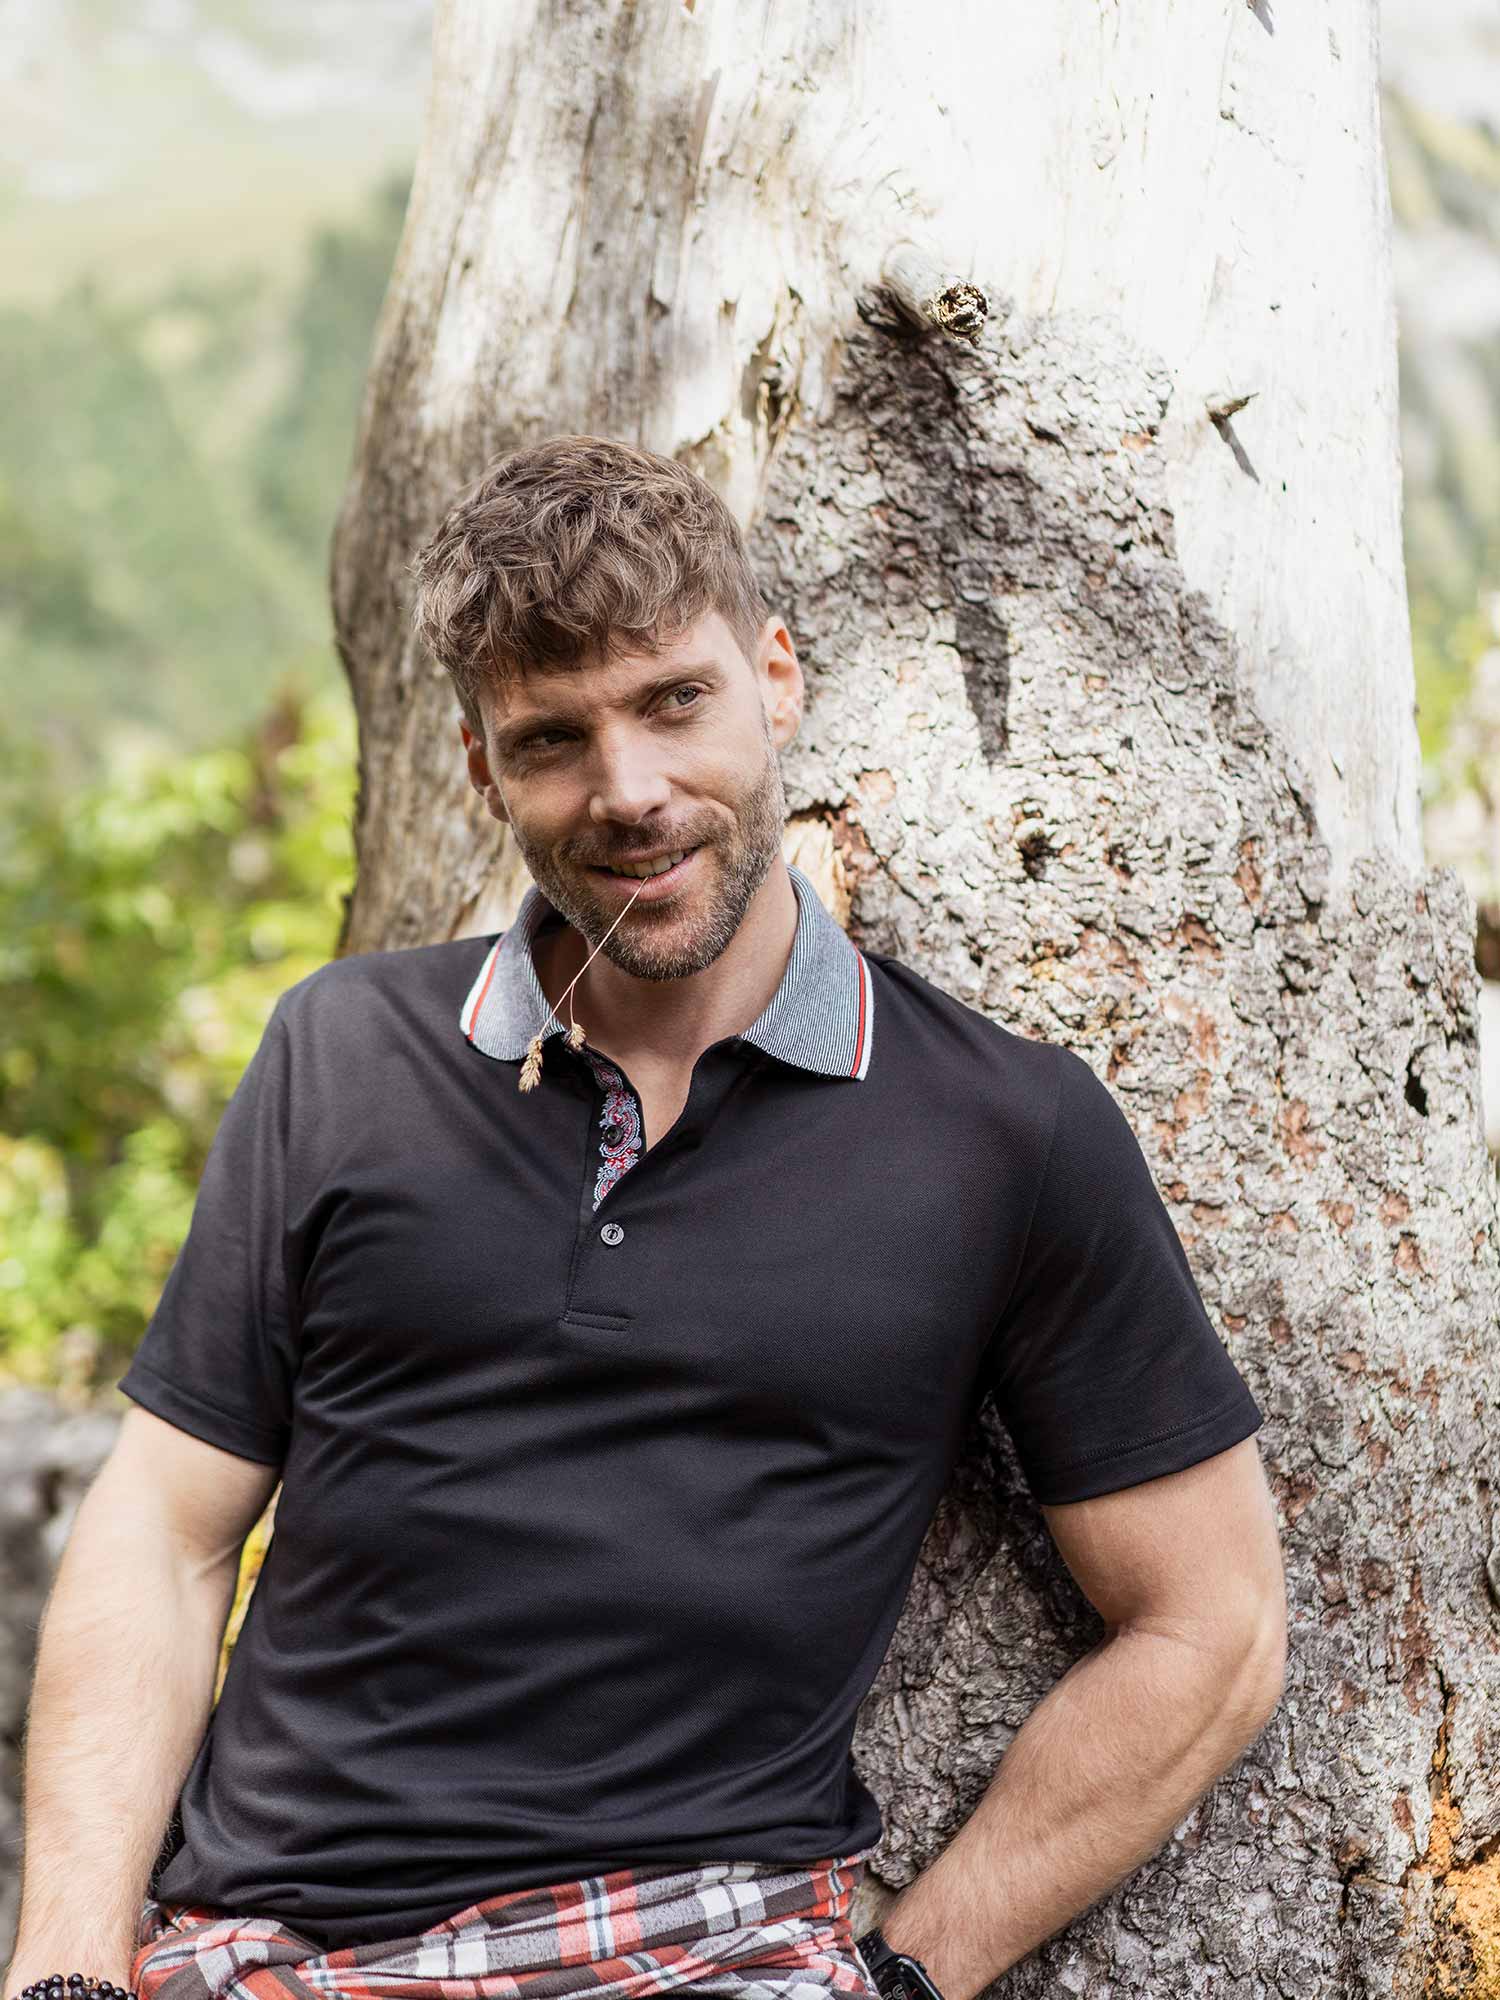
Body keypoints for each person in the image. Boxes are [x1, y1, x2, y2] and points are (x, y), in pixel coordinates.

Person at [2, 436, 1286, 2000]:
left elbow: (1213, 1624)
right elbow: (165, 1528)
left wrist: (909, 1977)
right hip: (264, 1954)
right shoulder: (343, 1053)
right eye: (554, 738)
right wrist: (63, 1967)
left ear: (776, 680)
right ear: (481, 768)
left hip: (703, 1951)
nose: (629, 792)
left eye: (675, 701)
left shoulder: (1006, 1129)